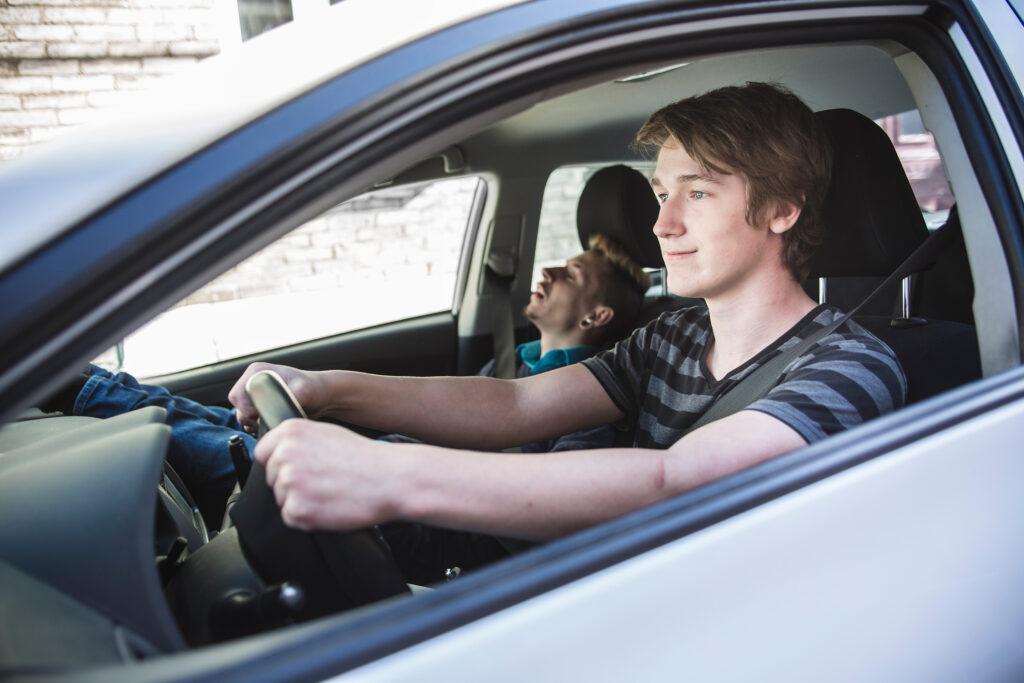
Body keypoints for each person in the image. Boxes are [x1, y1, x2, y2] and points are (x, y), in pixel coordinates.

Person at [228, 82, 906, 551]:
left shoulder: (851, 367)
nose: (663, 223)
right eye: (661, 193)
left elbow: (672, 482)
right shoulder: (673, 335)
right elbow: (516, 405)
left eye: (696, 192)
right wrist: (326, 388)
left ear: (784, 209)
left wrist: (384, 478)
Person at [39, 233, 650, 525]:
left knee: (200, 441)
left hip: (412, 506)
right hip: (384, 458)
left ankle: (67, 386)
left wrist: (373, 462)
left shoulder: (593, 402)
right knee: (208, 419)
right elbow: (476, 411)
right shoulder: (511, 365)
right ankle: (82, 387)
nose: (545, 271)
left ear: (596, 317)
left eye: (570, 273)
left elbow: (549, 502)